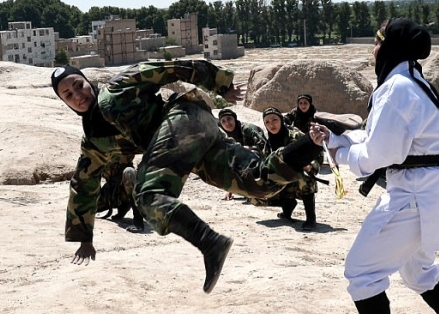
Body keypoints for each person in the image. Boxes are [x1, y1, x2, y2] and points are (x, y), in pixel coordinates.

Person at [51, 61, 322, 293]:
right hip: (193, 138)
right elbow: (83, 184)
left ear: (87, 81)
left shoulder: (117, 87)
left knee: (147, 193)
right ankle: (312, 142)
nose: (77, 95)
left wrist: (220, 84)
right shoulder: (94, 142)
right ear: (64, 102)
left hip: (184, 118)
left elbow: (171, 68)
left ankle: (210, 243)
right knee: (257, 182)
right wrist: (84, 237)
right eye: (68, 94)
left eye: (78, 85)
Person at [311, 18, 439, 314]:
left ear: (388, 47)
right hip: (434, 192)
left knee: (361, 271)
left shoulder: (396, 88)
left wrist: (339, 153)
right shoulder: (413, 82)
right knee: (418, 264)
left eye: (376, 42)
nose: (372, 51)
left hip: (415, 196)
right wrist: (337, 138)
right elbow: (383, 142)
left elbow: (376, 157)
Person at [261, 107, 320, 230]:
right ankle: (287, 210)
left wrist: (311, 165)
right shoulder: (268, 144)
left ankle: (311, 219)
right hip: (282, 179)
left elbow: (317, 152)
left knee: (304, 178)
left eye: (274, 120)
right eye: (267, 122)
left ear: (281, 120)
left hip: (299, 174)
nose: (271, 124)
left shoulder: (295, 134)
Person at [217, 107, 267, 201]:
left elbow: (265, 146)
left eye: (229, 119)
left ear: (235, 119)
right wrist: (230, 189)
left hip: (261, 161)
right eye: (223, 121)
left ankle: (258, 188)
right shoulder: (224, 136)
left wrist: (248, 149)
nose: (227, 123)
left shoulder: (249, 129)